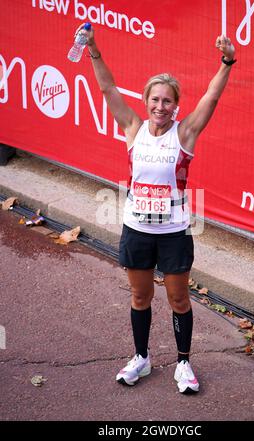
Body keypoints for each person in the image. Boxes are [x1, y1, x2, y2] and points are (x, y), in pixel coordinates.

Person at [76, 24, 236, 394]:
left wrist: (228, 61)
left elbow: (211, 98)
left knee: (179, 299)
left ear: (175, 105)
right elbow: (107, 88)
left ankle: (183, 363)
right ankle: (141, 358)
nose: (160, 106)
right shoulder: (133, 127)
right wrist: (93, 48)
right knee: (140, 297)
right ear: (146, 101)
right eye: (154, 100)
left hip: (174, 232)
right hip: (137, 229)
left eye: (167, 101)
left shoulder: (186, 133)